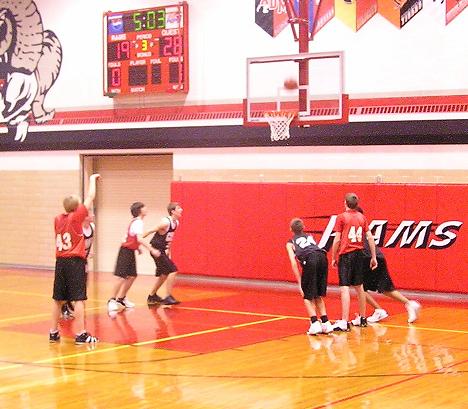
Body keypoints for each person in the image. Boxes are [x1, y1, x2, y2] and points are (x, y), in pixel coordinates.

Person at [49, 173, 100, 344]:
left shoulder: (57, 219)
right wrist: (92, 179)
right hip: (74, 261)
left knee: (57, 299)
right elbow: (91, 196)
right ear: (77, 207)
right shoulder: (76, 217)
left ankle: (53, 332)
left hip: (60, 262)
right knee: (79, 299)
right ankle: (81, 334)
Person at [357, 207, 421, 324]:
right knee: (384, 288)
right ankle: (409, 304)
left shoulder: (355, 227)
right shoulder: (362, 227)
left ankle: (377, 311)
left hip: (367, 258)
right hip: (377, 257)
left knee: (359, 286)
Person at [331, 193, 378, 331]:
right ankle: (363, 318)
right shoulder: (362, 217)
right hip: (359, 254)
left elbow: (337, 239)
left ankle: (344, 321)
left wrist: (333, 256)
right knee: (359, 286)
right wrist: (373, 257)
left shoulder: (342, 217)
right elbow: (370, 238)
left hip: (346, 254)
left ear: (345, 203)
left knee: (344, 287)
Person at [107, 202, 158, 313]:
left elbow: (133, 237)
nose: (146, 208)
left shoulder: (137, 222)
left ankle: (121, 299)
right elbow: (139, 238)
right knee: (121, 277)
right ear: (139, 210)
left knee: (132, 276)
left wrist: (137, 248)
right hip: (125, 251)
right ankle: (111, 300)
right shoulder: (138, 222)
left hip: (130, 251)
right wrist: (152, 249)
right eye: (144, 207)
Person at [286, 218, 334, 335]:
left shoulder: (290, 242)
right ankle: (326, 323)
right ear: (304, 228)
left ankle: (314, 323)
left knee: (307, 295)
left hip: (310, 259)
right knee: (317, 294)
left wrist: (300, 282)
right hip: (322, 257)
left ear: (291, 229)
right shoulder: (309, 236)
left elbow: (293, 262)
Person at [144, 202, 183, 306]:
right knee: (173, 270)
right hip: (156, 249)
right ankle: (168, 296)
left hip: (162, 249)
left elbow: (169, 237)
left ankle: (152, 296)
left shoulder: (176, 223)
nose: (181, 210)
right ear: (173, 211)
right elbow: (150, 230)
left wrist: (168, 249)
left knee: (164, 274)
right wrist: (138, 239)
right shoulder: (165, 222)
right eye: (179, 208)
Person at [61, 213, 95, 319]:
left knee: (84, 282)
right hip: (74, 258)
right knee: (72, 283)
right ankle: (65, 305)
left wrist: (90, 250)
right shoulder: (78, 228)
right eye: (90, 213)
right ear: (85, 217)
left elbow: (91, 240)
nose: (93, 215)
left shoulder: (92, 227)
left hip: (83, 259)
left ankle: (72, 302)